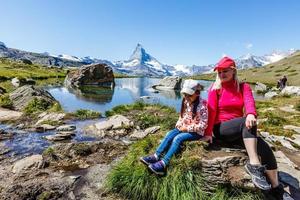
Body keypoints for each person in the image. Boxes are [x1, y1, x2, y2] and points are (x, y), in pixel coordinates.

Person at [205, 56, 293, 200]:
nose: (221, 74)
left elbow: (249, 102)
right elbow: (211, 111)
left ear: (233, 71)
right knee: (246, 121)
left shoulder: (243, 86)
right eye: (219, 72)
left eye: (225, 71)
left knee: (266, 151)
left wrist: (251, 113)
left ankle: (277, 189)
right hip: (221, 128)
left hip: (241, 130)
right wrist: (208, 133)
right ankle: (254, 164)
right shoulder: (215, 88)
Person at [140, 79, 208, 175]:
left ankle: (163, 164)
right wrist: (179, 123)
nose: (186, 97)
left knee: (178, 138)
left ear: (197, 93)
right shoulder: (186, 101)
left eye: (189, 95)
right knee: (170, 133)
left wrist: (187, 128)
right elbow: (182, 116)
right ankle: (156, 156)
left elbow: (203, 124)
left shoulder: (202, 105)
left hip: (196, 133)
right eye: (185, 94)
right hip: (184, 128)